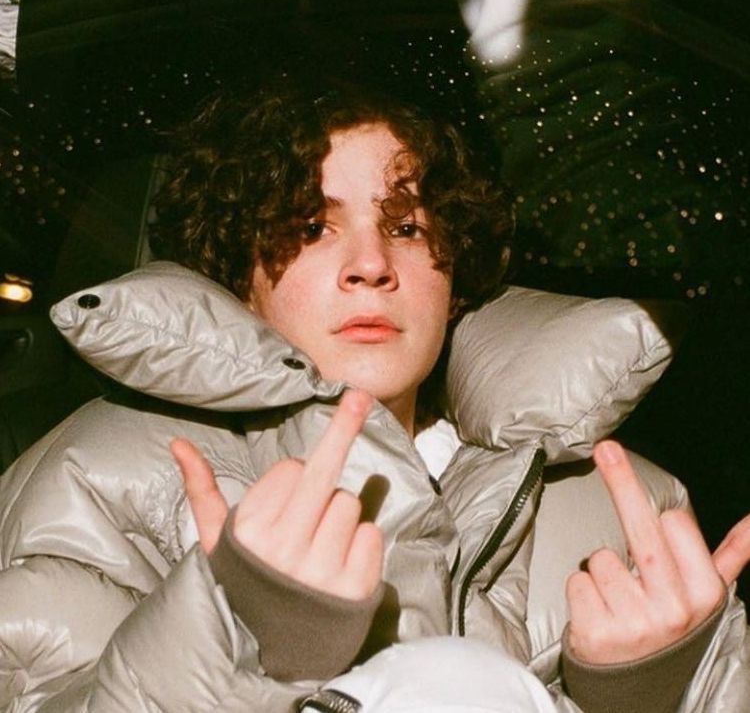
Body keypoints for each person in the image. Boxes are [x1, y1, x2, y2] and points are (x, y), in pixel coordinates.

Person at [0, 78, 748, 712]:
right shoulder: (104, 471)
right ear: (238, 275)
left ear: (454, 269)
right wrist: (233, 641)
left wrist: (643, 691)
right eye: (311, 226)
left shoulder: (618, 506)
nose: (370, 263)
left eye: (406, 227)